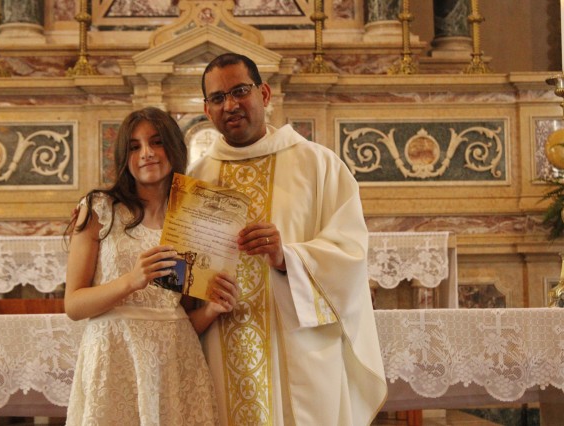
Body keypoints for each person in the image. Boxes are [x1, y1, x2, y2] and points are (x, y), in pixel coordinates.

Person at [189, 53, 388, 425]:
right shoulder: (196, 179)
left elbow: (351, 251)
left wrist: (287, 258)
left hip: (300, 350)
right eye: (218, 98)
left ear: (264, 94)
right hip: (221, 346)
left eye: (240, 91)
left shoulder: (319, 165)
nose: (230, 105)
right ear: (206, 109)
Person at [64, 107, 238, 425]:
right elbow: (74, 305)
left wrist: (212, 309)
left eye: (156, 142)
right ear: (124, 156)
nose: (146, 153)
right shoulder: (100, 209)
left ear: (174, 147)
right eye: (135, 146)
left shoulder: (191, 218)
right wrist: (131, 280)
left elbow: (179, 316)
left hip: (175, 361)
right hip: (114, 358)